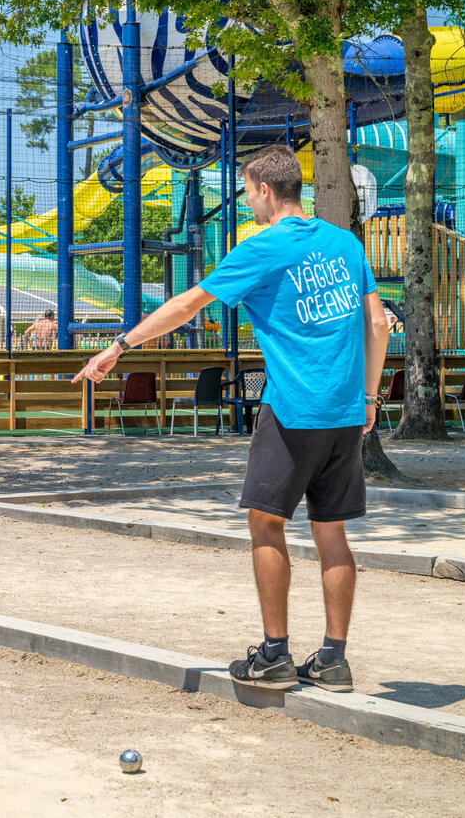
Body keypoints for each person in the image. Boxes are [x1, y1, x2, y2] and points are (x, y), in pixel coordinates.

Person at [74, 145, 389, 693]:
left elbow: (187, 305)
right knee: (331, 532)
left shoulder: (261, 248)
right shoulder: (344, 242)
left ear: (266, 190)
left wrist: (119, 345)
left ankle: (274, 655)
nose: (247, 201)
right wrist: (368, 399)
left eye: (247, 191)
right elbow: (379, 325)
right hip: (345, 414)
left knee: (266, 523)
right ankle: (334, 660)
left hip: (293, 412)